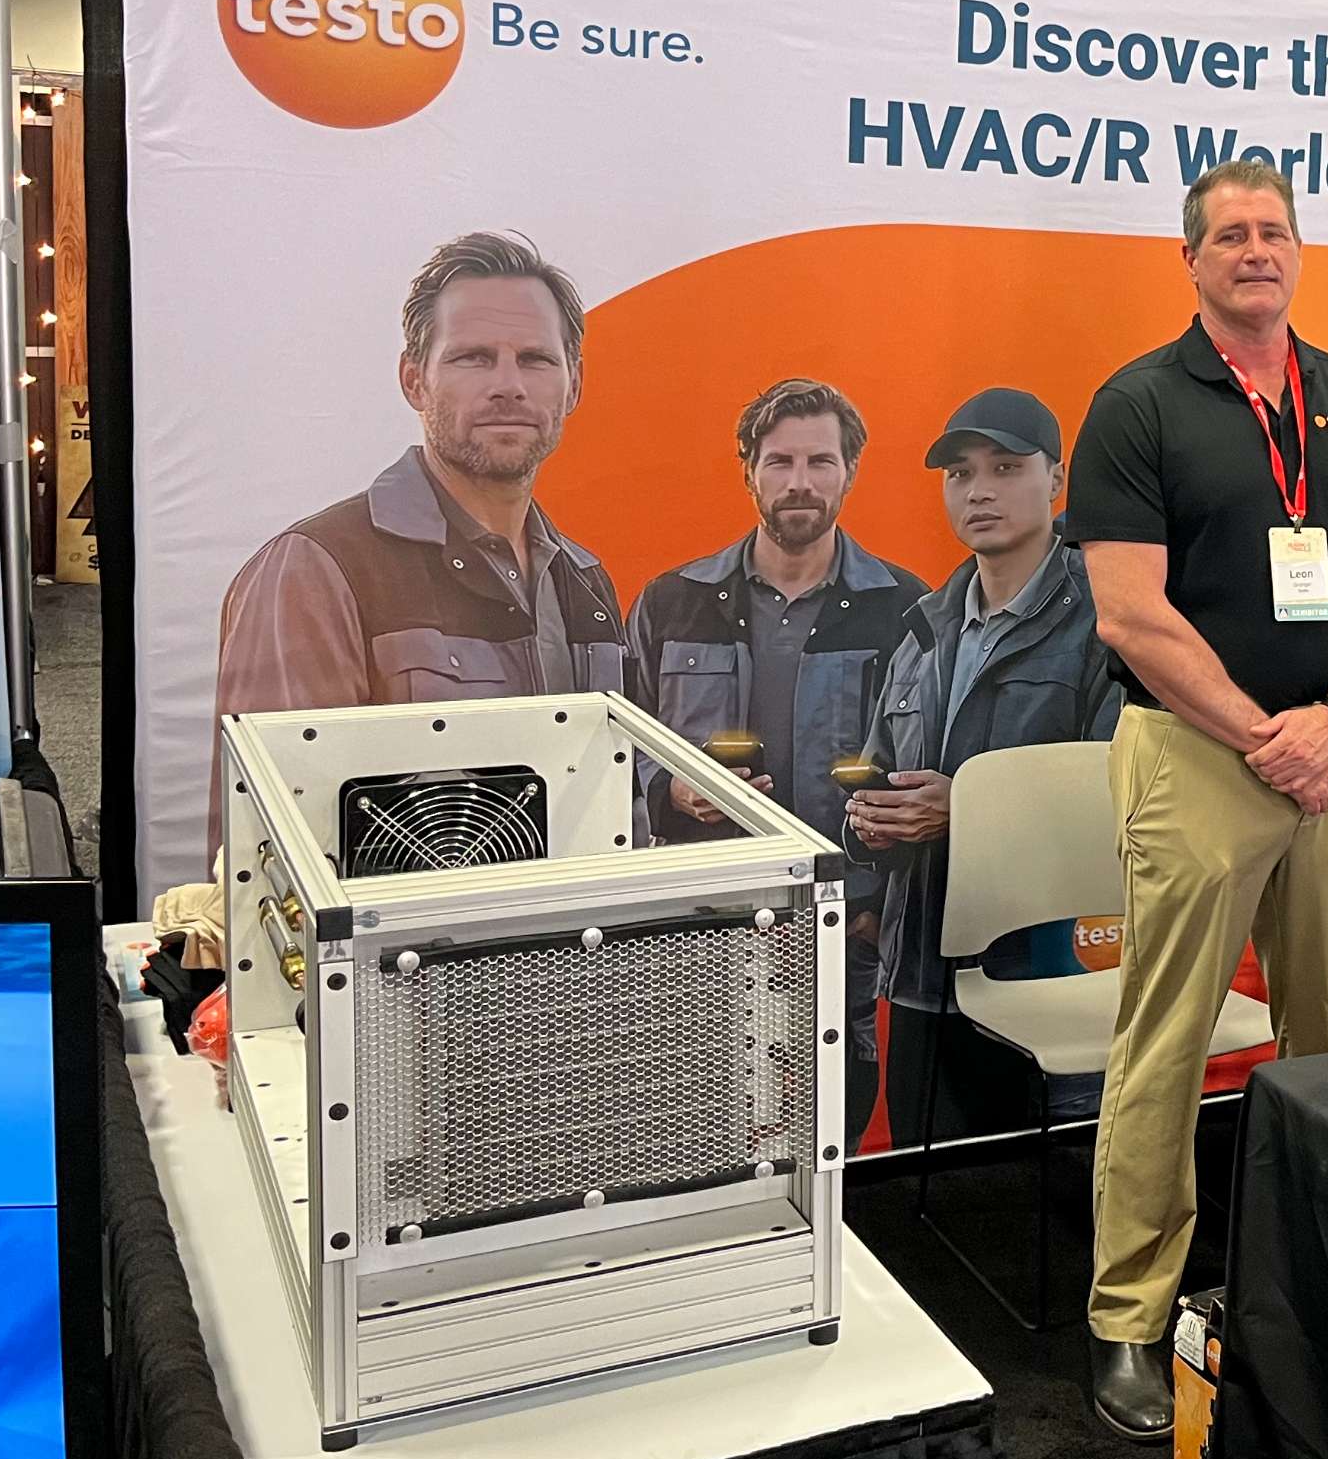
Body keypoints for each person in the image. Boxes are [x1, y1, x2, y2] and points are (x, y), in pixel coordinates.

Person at [1070, 159, 1328, 1441]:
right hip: (1196, 758)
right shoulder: (1138, 405)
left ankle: (1326, 1274)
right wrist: (1267, 738)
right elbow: (1129, 613)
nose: (1256, 250)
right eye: (1230, 235)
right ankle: (1129, 1316)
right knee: (1167, 1039)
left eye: (1275, 230)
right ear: (1192, 260)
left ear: (1300, 251)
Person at [626, 379, 929, 1145]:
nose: (800, 482)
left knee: (832, 1118)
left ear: (849, 471)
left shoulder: (904, 607)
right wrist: (672, 794)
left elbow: (923, 771)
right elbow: (618, 753)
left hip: (844, 918)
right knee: (697, 1113)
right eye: (780, 462)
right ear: (748, 471)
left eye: (820, 462)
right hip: (706, 915)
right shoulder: (671, 602)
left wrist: (877, 906)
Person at [841, 388, 1120, 1147]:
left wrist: (966, 811)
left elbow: (1122, 802)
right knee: (932, 1205)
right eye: (960, 474)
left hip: (1053, 984)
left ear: (1056, 480)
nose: (979, 491)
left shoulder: (1108, 621)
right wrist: (872, 824)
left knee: (1053, 1198)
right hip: (922, 986)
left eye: (1005, 467)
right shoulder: (923, 628)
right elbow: (875, 778)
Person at [217, 230, 628, 742]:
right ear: (414, 381)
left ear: (574, 386)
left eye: (535, 359)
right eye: (473, 357)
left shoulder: (585, 581)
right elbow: (277, 793)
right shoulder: (315, 572)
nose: (508, 386)